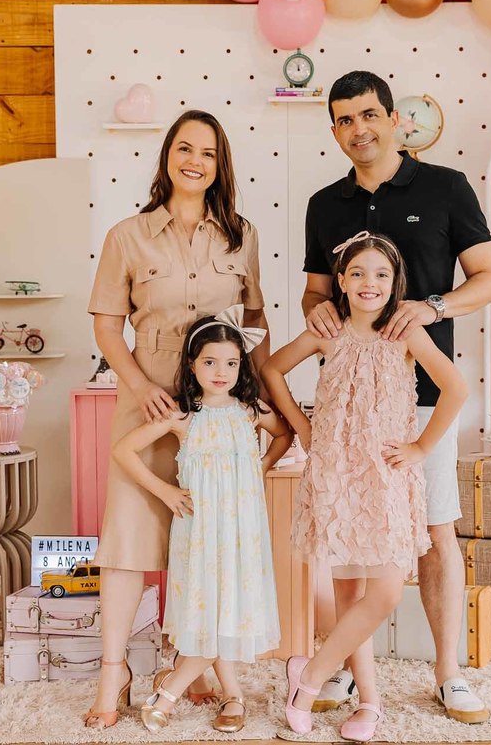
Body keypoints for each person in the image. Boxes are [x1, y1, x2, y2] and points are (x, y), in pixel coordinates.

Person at [301, 70, 491, 724]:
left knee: (436, 530)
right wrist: (314, 312)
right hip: (350, 406)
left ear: (393, 119)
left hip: (422, 399)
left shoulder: (446, 186)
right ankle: (344, 669)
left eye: (368, 115)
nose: (358, 129)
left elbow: (490, 278)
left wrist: (432, 306)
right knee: (348, 538)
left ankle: (449, 674)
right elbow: (314, 293)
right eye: (344, 119)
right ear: (335, 130)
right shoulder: (323, 204)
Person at [85, 110, 269, 729]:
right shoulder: (127, 236)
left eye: (208, 153)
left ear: (221, 166)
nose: (195, 161)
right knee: (128, 540)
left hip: (216, 410)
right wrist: (140, 387)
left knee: (209, 541)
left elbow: (254, 326)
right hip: (150, 401)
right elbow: (107, 327)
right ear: (167, 155)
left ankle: (200, 667)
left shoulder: (242, 236)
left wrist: (260, 402)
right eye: (185, 148)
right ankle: (114, 671)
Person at [262, 232, 468, 741]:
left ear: (395, 282)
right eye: (357, 273)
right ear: (341, 280)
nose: (368, 283)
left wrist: (420, 448)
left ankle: (309, 677)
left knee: (386, 590)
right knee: (349, 592)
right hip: (337, 475)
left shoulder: (405, 333)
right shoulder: (327, 332)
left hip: (386, 478)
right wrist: (303, 428)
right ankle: (369, 702)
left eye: (380, 274)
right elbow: (271, 369)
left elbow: (456, 387)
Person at [113, 308, 291, 733]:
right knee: (209, 608)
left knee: (231, 606)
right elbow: (123, 451)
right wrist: (166, 492)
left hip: (242, 529)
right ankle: (224, 696)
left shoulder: (250, 411)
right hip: (199, 530)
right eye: (210, 362)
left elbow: (286, 434)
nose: (221, 372)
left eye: (231, 363)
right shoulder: (183, 416)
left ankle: (176, 691)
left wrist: (261, 467)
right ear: (192, 365)